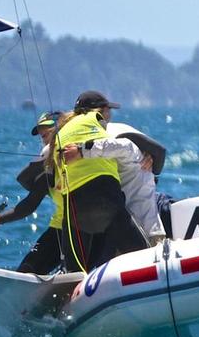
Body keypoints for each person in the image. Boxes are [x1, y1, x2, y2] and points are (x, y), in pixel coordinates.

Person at [49, 100, 148, 271]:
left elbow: (54, 178)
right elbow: (116, 145)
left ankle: (71, 288)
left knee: (74, 274)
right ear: (100, 111)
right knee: (143, 257)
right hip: (105, 198)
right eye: (109, 111)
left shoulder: (58, 134)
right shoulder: (96, 119)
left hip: (74, 209)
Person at [62, 90, 167, 241]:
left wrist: (80, 151)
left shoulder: (112, 132)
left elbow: (158, 152)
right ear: (102, 111)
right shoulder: (92, 135)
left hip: (145, 228)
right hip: (116, 225)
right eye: (108, 110)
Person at [0, 112, 66, 274]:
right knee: (27, 269)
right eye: (42, 137)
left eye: (47, 135)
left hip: (86, 227)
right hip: (59, 229)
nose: (44, 141)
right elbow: (28, 205)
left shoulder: (83, 157)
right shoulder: (46, 174)